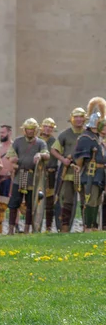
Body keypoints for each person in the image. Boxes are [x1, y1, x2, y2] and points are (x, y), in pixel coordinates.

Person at [6, 119, 49, 234]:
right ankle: (10, 230)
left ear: (36, 130)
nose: (30, 132)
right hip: (19, 176)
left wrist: (40, 154)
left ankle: (27, 229)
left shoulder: (40, 143)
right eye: (28, 129)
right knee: (14, 204)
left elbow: (47, 154)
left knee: (31, 205)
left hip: (33, 178)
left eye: (32, 129)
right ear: (24, 130)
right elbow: (10, 155)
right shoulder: (18, 141)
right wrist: (13, 159)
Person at [51, 108, 86, 232]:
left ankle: (86, 228)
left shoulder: (88, 134)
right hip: (68, 172)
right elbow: (54, 149)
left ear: (84, 119)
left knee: (85, 200)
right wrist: (63, 159)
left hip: (84, 172)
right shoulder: (65, 134)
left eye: (81, 117)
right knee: (67, 201)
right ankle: (65, 228)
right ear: (72, 119)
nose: (78, 119)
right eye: (76, 117)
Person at [74, 98, 106, 232]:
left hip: (99, 174)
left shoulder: (98, 139)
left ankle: (93, 226)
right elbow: (80, 160)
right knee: (90, 201)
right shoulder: (85, 138)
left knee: (97, 201)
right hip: (90, 174)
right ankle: (88, 227)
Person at [38, 118, 58, 232]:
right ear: (42, 127)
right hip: (38, 173)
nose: (48, 129)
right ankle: (36, 225)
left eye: (50, 127)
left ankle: (48, 226)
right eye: (46, 126)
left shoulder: (55, 141)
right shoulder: (37, 140)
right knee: (37, 199)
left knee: (50, 202)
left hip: (51, 173)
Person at [0, 125, 13, 230]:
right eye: (0, 133)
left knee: (13, 204)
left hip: (11, 178)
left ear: (9, 133)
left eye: (3, 132)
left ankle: (13, 227)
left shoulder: (15, 147)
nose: (1, 135)